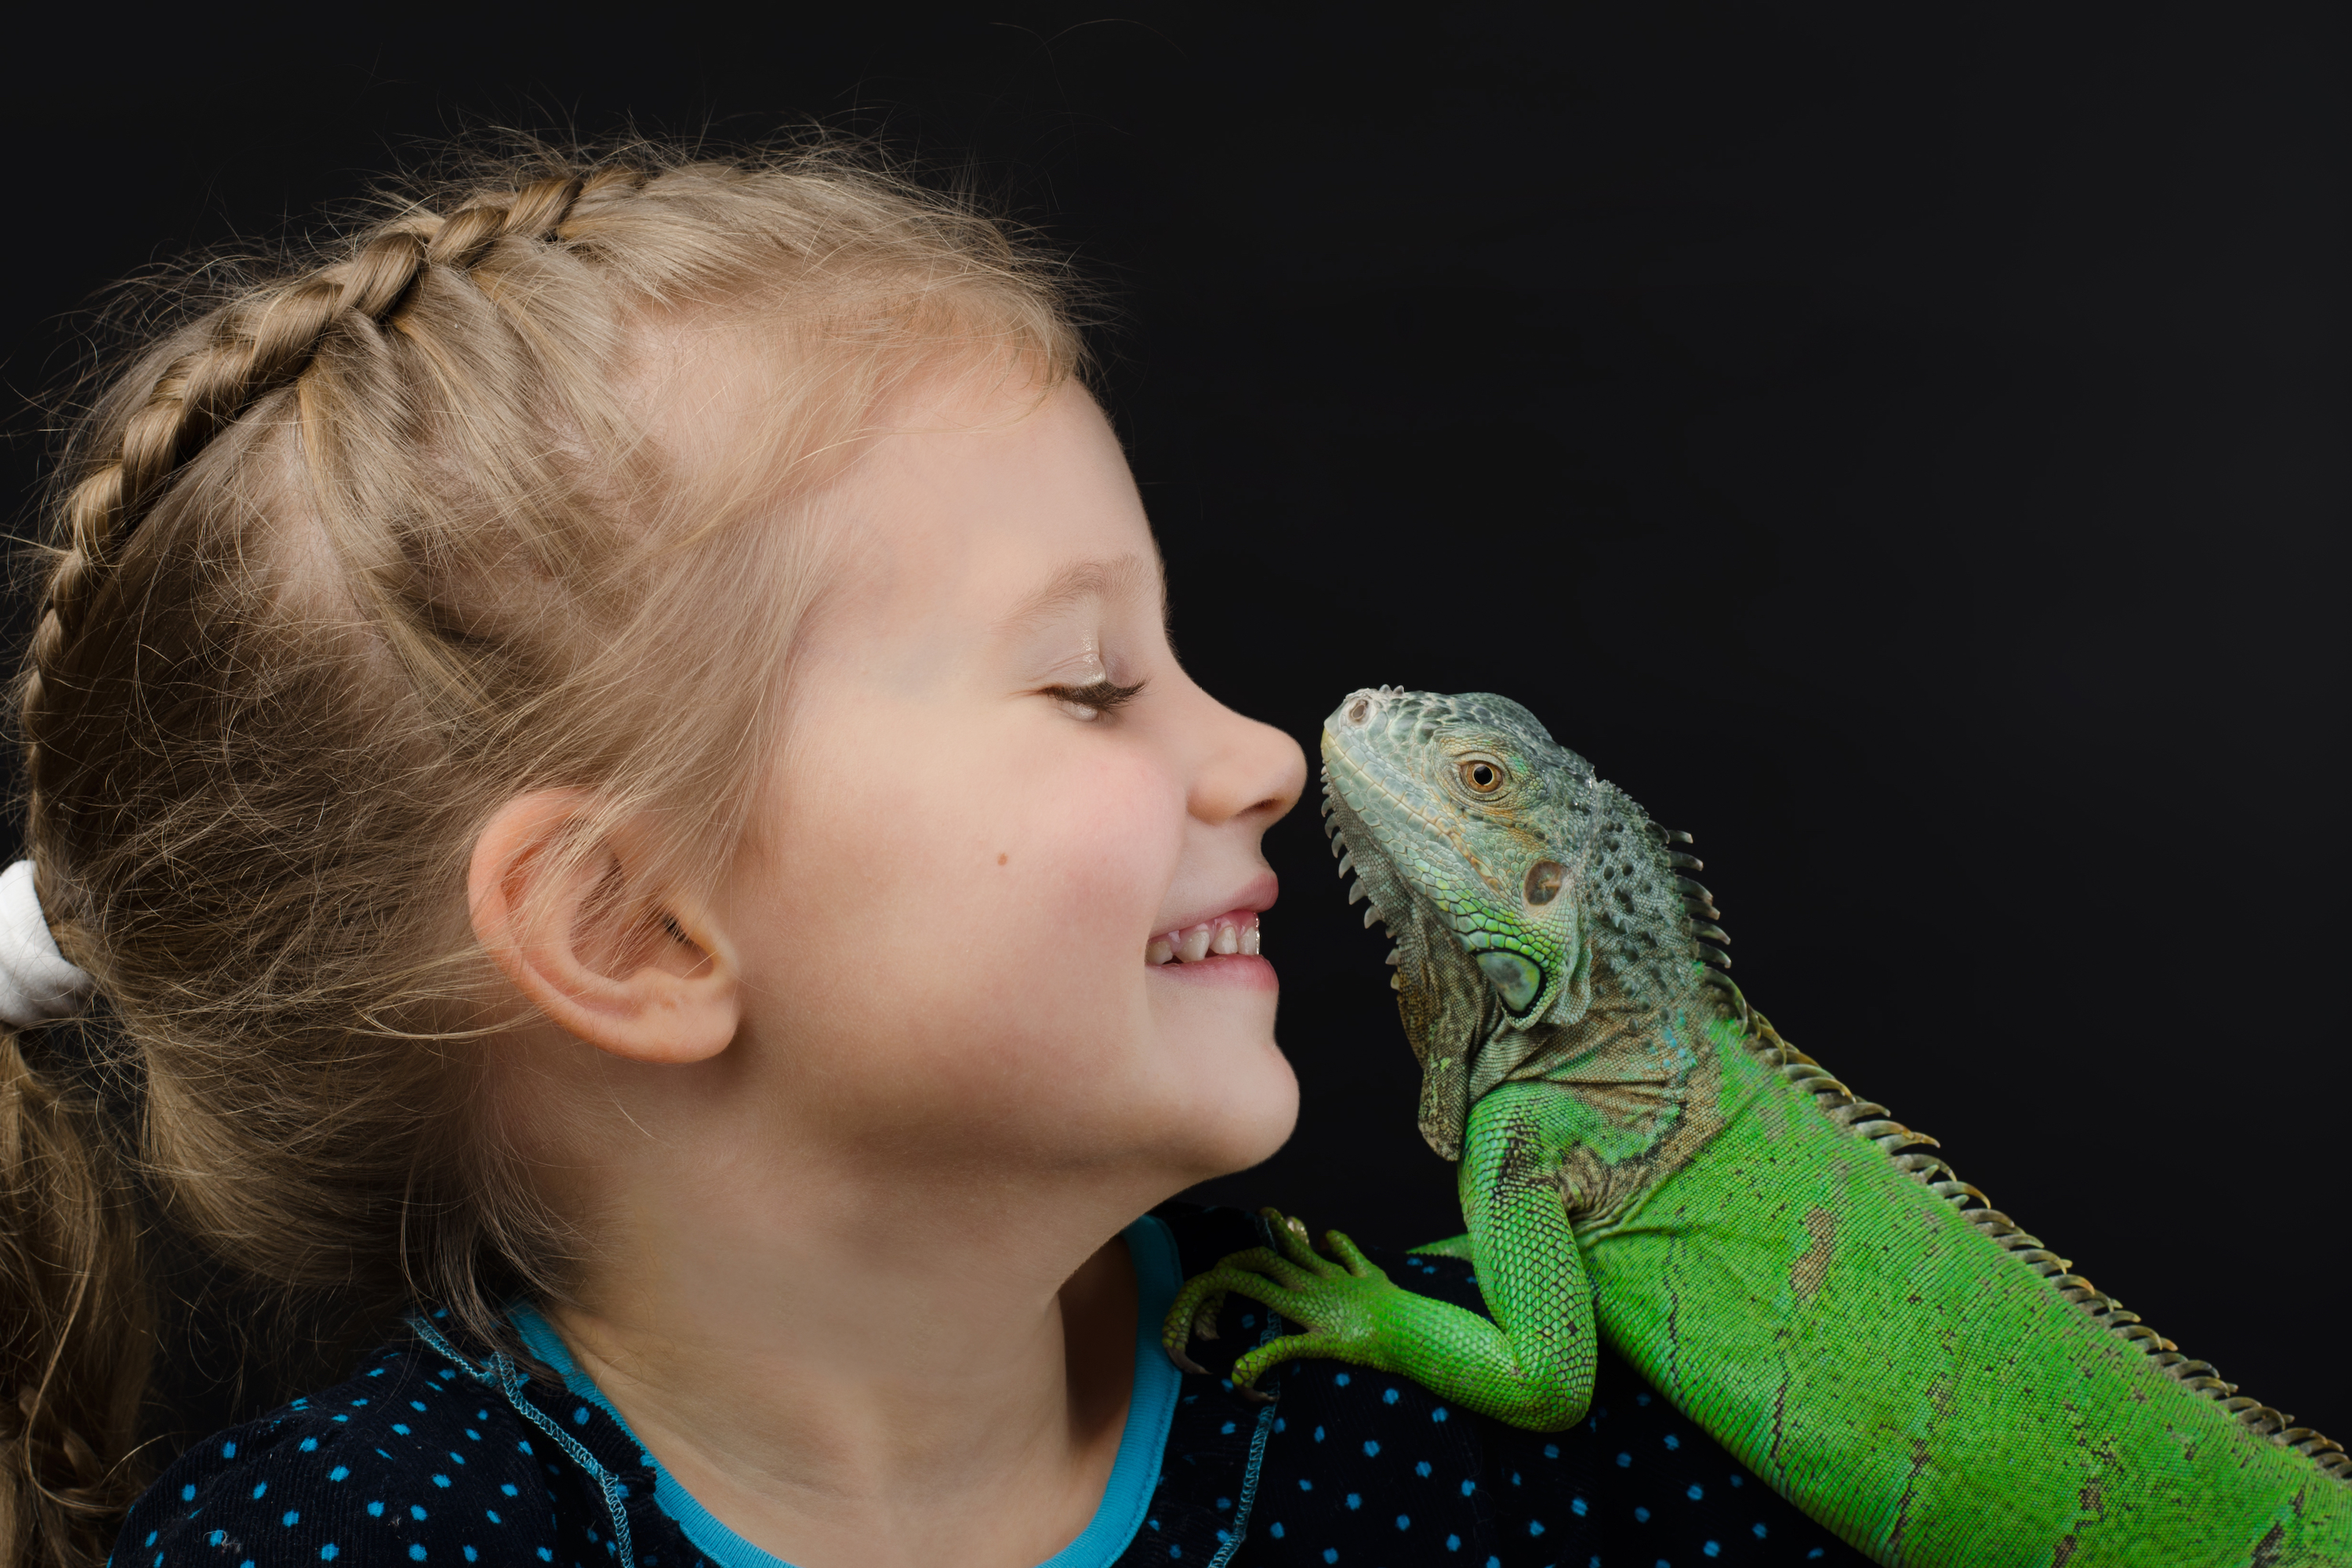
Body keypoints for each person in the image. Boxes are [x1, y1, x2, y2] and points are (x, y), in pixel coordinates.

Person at [0, 140, 1861, 1567]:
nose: (1264, 758)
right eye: (1089, 680)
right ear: (635, 929)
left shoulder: (1514, 1450)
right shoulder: (340, 1548)